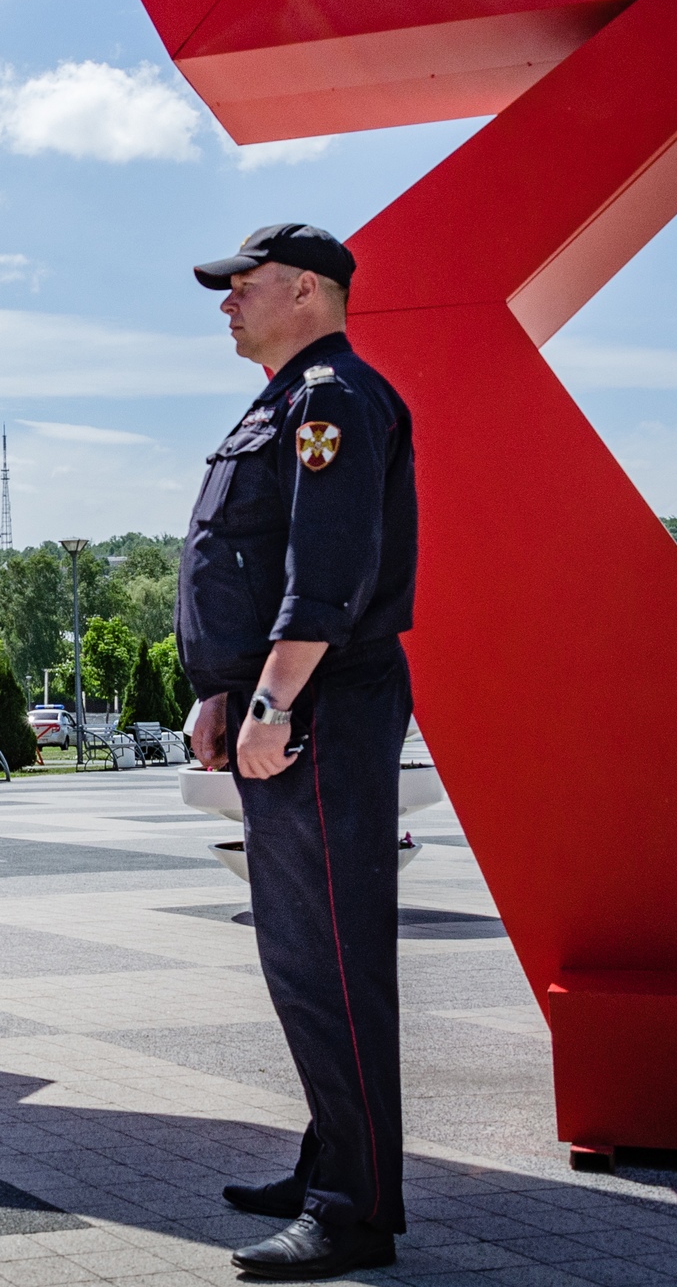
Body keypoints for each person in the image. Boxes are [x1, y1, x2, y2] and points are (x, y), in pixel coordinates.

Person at [178, 225, 417, 1281]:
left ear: (306, 288)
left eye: (243, 285)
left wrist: (275, 695)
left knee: (330, 960)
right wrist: (223, 693)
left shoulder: (332, 399)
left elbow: (326, 566)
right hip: (281, 706)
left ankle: (354, 1207)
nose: (226, 301)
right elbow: (248, 561)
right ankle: (331, 1153)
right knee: (297, 957)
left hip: (322, 705)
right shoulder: (282, 400)